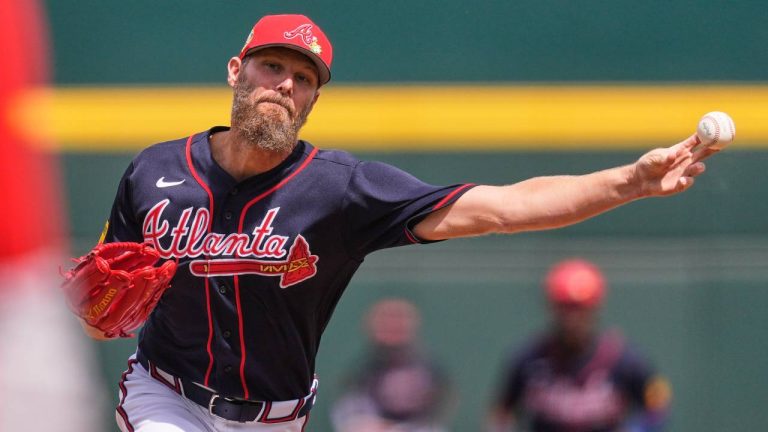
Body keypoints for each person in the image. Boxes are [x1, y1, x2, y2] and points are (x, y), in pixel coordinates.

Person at [62, 12, 717, 432]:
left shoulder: (339, 188)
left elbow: (503, 207)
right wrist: (95, 312)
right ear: (237, 71)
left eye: (303, 78)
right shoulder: (154, 171)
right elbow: (100, 298)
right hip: (164, 395)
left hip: (275, 416)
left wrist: (631, 182)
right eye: (272, 66)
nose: (285, 85)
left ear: (314, 99)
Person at [486, 259, 672, 432]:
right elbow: (501, 413)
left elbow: (658, 406)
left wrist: (635, 429)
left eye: (579, 309)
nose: (572, 318)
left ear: (595, 309)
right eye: (564, 308)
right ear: (551, 308)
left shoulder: (624, 360)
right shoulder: (528, 358)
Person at [331, 298, 454, 432]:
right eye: (387, 321)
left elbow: (441, 402)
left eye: (399, 320)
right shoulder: (364, 367)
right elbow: (350, 407)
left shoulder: (426, 365)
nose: (393, 327)